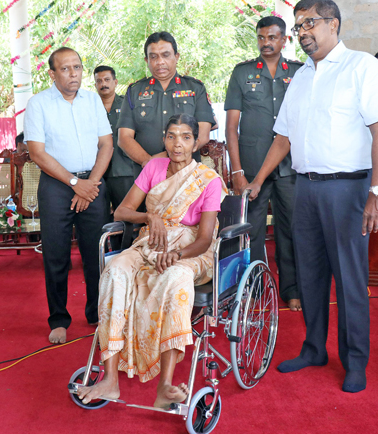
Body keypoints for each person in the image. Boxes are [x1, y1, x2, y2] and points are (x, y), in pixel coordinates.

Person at [245, 0, 378, 393]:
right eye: (299, 26)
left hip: (348, 188)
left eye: (309, 23)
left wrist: (376, 191)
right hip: (305, 189)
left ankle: (355, 361)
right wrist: (259, 179)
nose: (303, 33)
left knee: (349, 277)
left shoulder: (361, 66)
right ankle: (314, 348)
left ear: (334, 24)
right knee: (309, 272)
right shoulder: (302, 78)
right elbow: (283, 138)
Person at [77, 114, 227, 409]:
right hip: (149, 243)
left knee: (174, 279)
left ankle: (165, 385)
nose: (178, 144)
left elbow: (206, 238)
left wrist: (178, 255)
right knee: (114, 272)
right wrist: (150, 216)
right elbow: (121, 211)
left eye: (185, 137)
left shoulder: (208, 180)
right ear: (163, 139)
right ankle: (110, 380)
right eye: (171, 136)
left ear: (196, 142)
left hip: (191, 249)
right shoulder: (154, 167)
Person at [24, 47, 113, 344]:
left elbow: (106, 145)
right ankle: (59, 319)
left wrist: (91, 185)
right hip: (56, 185)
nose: (73, 73)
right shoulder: (38, 104)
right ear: (52, 73)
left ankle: (97, 313)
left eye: (77, 67)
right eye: (65, 68)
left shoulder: (92, 100)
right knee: (56, 253)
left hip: (93, 182)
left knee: (96, 252)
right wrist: (75, 183)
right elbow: (37, 153)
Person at [224, 15, 303, 311]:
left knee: (291, 228)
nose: (266, 43)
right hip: (252, 167)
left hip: (290, 165)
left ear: (284, 40)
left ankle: (292, 289)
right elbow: (231, 126)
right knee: (252, 230)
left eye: (272, 37)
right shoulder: (242, 73)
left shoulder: (299, 71)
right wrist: (237, 170)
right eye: (261, 37)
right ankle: (255, 288)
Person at [117, 31, 215, 171]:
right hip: (146, 175)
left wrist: (163, 159)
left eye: (166, 55)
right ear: (147, 60)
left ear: (176, 57)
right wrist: (149, 163)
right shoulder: (134, 92)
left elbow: (203, 136)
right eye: (153, 57)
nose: (160, 61)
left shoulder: (195, 88)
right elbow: (124, 138)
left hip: (187, 174)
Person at [94, 65, 129, 212]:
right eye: (99, 81)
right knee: (100, 218)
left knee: (126, 216)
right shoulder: (89, 108)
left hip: (124, 170)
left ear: (115, 82)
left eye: (107, 80)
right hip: (97, 173)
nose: (103, 84)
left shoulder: (128, 105)